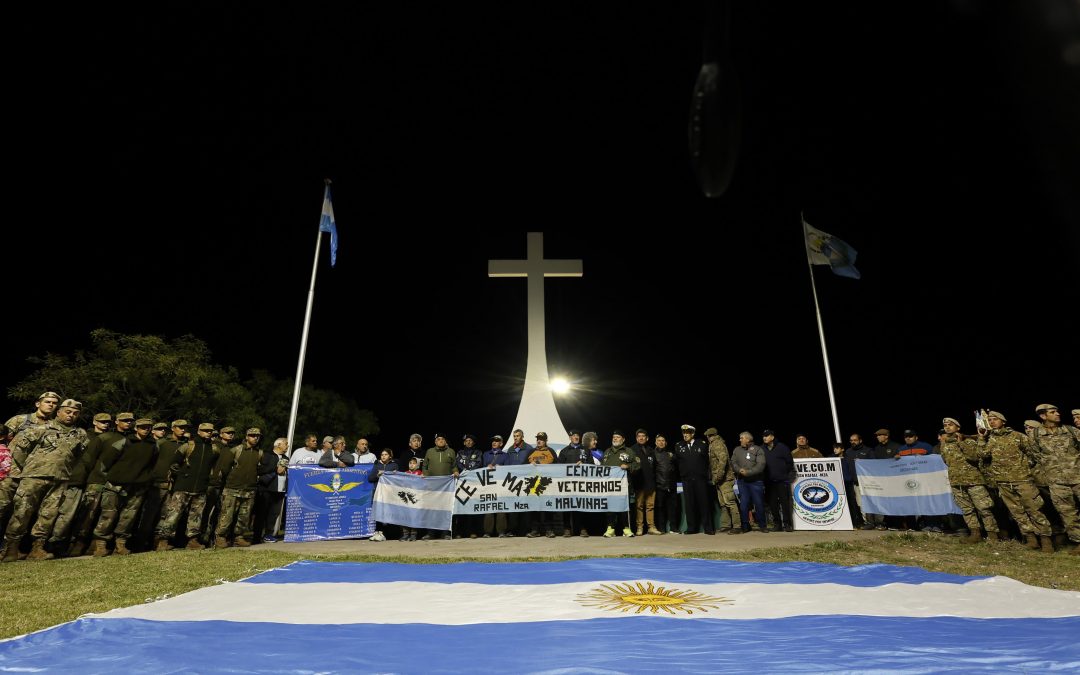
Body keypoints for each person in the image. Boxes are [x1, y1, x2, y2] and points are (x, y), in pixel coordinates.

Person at [2, 399, 88, 563]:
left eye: (75, 413)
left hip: (60, 479)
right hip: (34, 477)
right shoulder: (40, 429)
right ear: (59, 412)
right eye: (68, 412)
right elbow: (18, 451)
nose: (71, 415)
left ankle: (37, 548)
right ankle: (10, 549)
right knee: (22, 512)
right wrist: (27, 469)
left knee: (48, 515)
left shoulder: (80, 434)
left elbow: (77, 457)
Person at [975, 412, 1052, 552]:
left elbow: (1033, 454)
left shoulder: (1017, 436)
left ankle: (1046, 541)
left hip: (1023, 480)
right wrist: (981, 438)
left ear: (1003, 421)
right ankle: (1031, 539)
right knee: (1017, 512)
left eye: (995, 419)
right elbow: (982, 455)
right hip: (1003, 482)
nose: (992, 422)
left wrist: (1023, 468)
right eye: (990, 420)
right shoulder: (990, 439)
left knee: (1034, 509)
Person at [90, 417, 160, 556]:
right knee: (108, 514)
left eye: (148, 427)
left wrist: (145, 479)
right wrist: (111, 477)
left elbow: (152, 464)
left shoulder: (154, 445)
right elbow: (106, 461)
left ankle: (120, 544)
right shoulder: (124, 442)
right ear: (136, 428)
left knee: (128, 516)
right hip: (116, 484)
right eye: (142, 427)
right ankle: (100, 545)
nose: (146, 429)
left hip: (138, 486)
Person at [155, 422, 219, 550]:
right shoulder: (188, 446)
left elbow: (212, 466)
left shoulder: (214, 449)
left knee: (196, 516)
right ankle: (162, 541)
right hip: (182, 487)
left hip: (201, 488)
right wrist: (181, 474)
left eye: (210, 431)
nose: (208, 433)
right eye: (205, 430)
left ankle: (192, 541)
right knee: (173, 515)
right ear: (199, 431)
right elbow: (174, 463)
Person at [939, 417, 999, 543]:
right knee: (967, 510)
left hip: (973, 480)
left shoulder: (968, 441)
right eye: (945, 425)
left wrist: (961, 443)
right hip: (957, 481)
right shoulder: (944, 444)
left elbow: (974, 457)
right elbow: (946, 461)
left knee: (984, 508)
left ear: (958, 428)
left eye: (950, 425)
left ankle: (993, 536)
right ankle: (975, 534)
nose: (947, 427)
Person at [1031, 403, 1080, 555]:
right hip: (1057, 482)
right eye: (1053, 412)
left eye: (1057, 411)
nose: (1058, 414)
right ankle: (1078, 542)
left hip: (1078, 477)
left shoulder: (1070, 430)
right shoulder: (1035, 435)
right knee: (1068, 514)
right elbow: (1035, 456)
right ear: (1043, 416)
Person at [212, 428, 263, 548]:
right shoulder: (236, 450)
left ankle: (238, 538)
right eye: (252, 435)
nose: (255, 438)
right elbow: (224, 469)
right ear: (246, 436)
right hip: (232, 489)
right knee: (226, 516)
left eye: (257, 436)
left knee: (244, 517)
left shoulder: (259, 453)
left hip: (249, 490)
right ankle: (220, 537)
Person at [601, 430, 640, 537]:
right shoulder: (607, 452)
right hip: (609, 486)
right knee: (610, 507)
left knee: (624, 507)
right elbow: (601, 468)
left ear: (623, 439)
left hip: (624, 485)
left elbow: (637, 465)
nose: (615, 439)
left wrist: (628, 467)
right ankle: (610, 529)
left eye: (618, 437)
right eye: (614, 437)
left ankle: (626, 528)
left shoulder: (629, 451)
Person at [676, 424, 713, 535]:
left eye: (687, 433)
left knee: (704, 503)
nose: (685, 435)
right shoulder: (679, 446)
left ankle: (708, 528)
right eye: (684, 433)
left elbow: (707, 462)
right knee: (689, 504)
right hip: (686, 479)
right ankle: (692, 528)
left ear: (692, 434)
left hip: (700, 479)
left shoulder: (701, 444)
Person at [730, 432, 767, 534]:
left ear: (748, 439)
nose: (740, 440)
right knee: (744, 504)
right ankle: (745, 526)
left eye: (742, 438)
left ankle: (762, 525)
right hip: (742, 482)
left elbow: (761, 465)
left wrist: (749, 472)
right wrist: (739, 470)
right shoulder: (737, 450)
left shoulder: (758, 449)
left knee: (759, 503)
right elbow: (733, 462)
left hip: (756, 481)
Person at [255, 437, 289, 543]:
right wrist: (276, 469)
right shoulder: (267, 455)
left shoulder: (286, 458)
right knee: (262, 513)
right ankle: (256, 536)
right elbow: (260, 470)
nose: (287, 446)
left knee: (274, 513)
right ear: (278, 445)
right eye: (285, 444)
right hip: (267, 489)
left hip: (280, 490)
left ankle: (268, 534)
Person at [422, 433, 456, 540]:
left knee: (445, 509)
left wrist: (455, 471)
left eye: (442, 439)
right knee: (431, 509)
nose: (440, 441)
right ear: (435, 442)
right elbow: (425, 466)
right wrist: (426, 475)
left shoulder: (451, 451)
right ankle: (430, 533)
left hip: (447, 487)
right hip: (432, 486)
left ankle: (445, 533)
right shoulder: (430, 451)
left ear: (445, 441)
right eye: (438, 439)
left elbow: (454, 466)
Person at [706, 427, 739, 533]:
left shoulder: (717, 444)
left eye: (709, 436)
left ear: (711, 436)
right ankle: (726, 524)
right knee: (723, 504)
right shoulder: (713, 444)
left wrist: (719, 476)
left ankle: (737, 526)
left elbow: (723, 461)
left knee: (730, 502)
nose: (708, 438)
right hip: (719, 479)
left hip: (725, 479)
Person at [761, 430, 795, 532]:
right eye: (763, 436)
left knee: (785, 503)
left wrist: (784, 474)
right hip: (769, 482)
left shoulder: (782, 447)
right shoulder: (761, 449)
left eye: (766, 436)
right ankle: (777, 525)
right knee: (772, 504)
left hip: (782, 481)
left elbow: (789, 463)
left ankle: (787, 524)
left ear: (772, 437)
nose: (764, 438)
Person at [630, 429, 659, 536]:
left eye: (643, 436)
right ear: (636, 438)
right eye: (639, 436)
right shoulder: (632, 450)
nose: (641, 438)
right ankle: (639, 528)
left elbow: (655, 467)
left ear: (647, 438)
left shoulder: (651, 450)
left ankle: (651, 527)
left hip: (650, 483)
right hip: (639, 483)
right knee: (639, 506)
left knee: (650, 506)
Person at [455, 434, 484, 538]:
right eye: (466, 440)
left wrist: (469, 472)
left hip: (474, 483)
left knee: (474, 508)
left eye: (470, 440)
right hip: (462, 484)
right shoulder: (459, 452)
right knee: (462, 507)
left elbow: (479, 464)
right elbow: (458, 463)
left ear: (473, 442)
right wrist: (465, 471)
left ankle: (473, 531)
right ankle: (459, 532)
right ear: (464, 442)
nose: (468, 442)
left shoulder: (478, 452)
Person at [368, 449, 398, 541]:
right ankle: (378, 532)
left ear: (390, 456)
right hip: (378, 492)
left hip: (389, 493)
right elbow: (370, 478)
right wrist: (378, 475)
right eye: (382, 454)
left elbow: (397, 478)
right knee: (378, 512)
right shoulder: (377, 465)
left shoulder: (394, 465)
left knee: (388, 513)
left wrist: (388, 475)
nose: (383, 456)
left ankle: (387, 534)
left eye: (386, 454)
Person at [653, 432, 679, 534]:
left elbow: (676, 468)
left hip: (671, 485)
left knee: (673, 507)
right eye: (659, 440)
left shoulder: (671, 454)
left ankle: (673, 528)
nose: (661, 442)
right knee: (660, 508)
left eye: (663, 440)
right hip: (659, 486)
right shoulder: (653, 454)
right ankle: (661, 528)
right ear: (655, 442)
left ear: (666, 443)